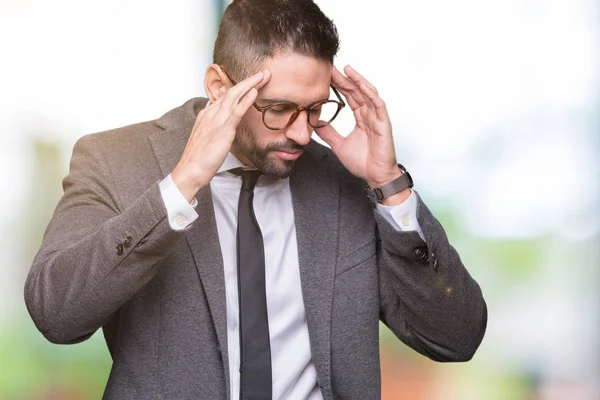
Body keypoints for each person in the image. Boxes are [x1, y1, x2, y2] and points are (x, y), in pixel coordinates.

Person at [24, 0, 487, 399]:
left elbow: (456, 337)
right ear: (220, 87)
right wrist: (181, 185)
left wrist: (390, 185)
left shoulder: (346, 181)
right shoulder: (115, 161)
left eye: (316, 109)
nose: (303, 133)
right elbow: (57, 315)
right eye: (280, 109)